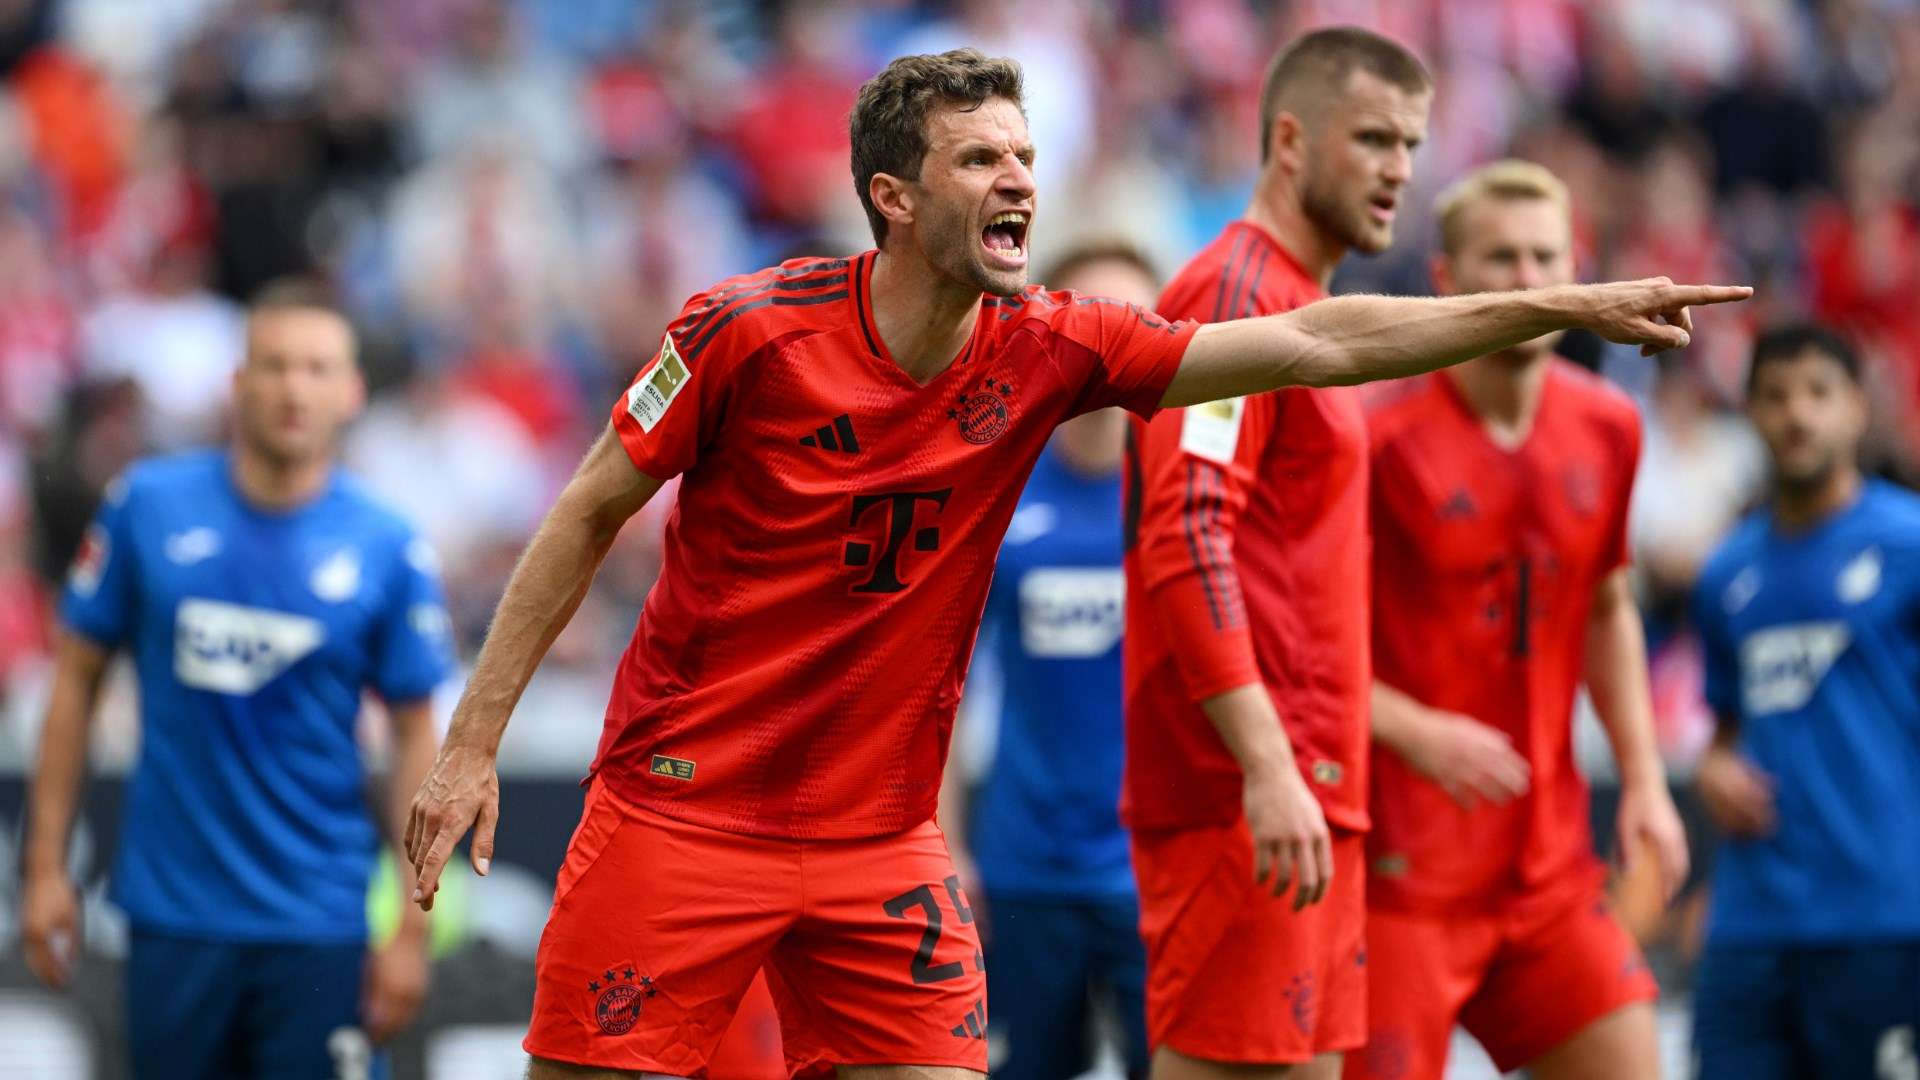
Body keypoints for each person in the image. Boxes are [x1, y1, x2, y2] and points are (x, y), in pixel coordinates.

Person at [400, 50, 1744, 1080]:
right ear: (894, 194)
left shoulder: (1053, 344)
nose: (1021, 182)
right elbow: (581, 516)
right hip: (681, 818)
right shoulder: (744, 332)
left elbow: (1320, 344)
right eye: (982, 159)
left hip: (880, 846)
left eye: (1028, 155)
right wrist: (470, 746)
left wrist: (1561, 306)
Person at [20, 280, 454, 1080]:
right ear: (238, 382)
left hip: (320, 923)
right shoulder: (146, 507)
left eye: (318, 368)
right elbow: (74, 683)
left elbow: (415, 738)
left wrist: (411, 929)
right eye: (276, 365)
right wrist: (45, 868)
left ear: (352, 390)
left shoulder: (386, 545)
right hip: (172, 916)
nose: (295, 388)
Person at [1123, 28, 1430, 1079]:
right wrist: (1265, 763)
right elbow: (1186, 528)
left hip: (1300, 794)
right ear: (1290, 139)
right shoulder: (1233, 298)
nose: (1399, 168)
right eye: (1375, 138)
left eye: (1413, 145)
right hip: (1241, 797)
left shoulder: (1298, 300)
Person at [1349, 160, 1692, 1080]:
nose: (1529, 278)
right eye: (1501, 258)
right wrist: (1414, 729)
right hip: (1399, 879)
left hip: (1548, 871)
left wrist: (1646, 780)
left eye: (1547, 255)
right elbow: (1297, 644)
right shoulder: (1375, 439)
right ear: (1447, 281)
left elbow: (1608, 603)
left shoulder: (1610, 425)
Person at [939, 241, 1160, 1080]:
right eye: (1094, 318)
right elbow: (942, 684)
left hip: (1157, 869)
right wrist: (948, 843)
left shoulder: (1187, 488)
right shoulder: (1000, 486)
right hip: (1026, 869)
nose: (1114, 342)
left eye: (1136, 318)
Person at [1689, 325, 1920, 1080]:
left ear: (1858, 408)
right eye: (1776, 395)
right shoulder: (1727, 572)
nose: (1798, 414)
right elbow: (1722, 729)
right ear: (1749, 413)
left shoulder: (1908, 544)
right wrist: (1715, 768)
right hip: (1750, 926)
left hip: (1882, 916)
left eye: (1819, 392)